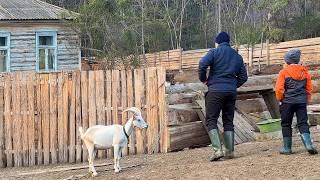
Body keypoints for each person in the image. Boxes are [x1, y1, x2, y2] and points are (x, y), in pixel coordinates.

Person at [198, 32, 248, 161]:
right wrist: (232, 85)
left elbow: (202, 64)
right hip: (231, 92)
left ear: (217, 42)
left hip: (215, 90)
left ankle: (217, 150)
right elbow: (244, 77)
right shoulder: (237, 56)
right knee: (228, 120)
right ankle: (230, 152)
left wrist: (204, 79)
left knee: (211, 120)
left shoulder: (214, 52)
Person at [275, 49, 318, 155]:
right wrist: (306, 100)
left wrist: (281, 99)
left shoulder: (283, 72)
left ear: (287, 61)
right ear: (298, 60)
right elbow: (309, 88)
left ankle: (287, 148)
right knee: (303, 123)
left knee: (286, 124)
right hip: (301, 102)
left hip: (287, 102)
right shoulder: (305, 71)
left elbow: (279, 89)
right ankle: (309, 145)